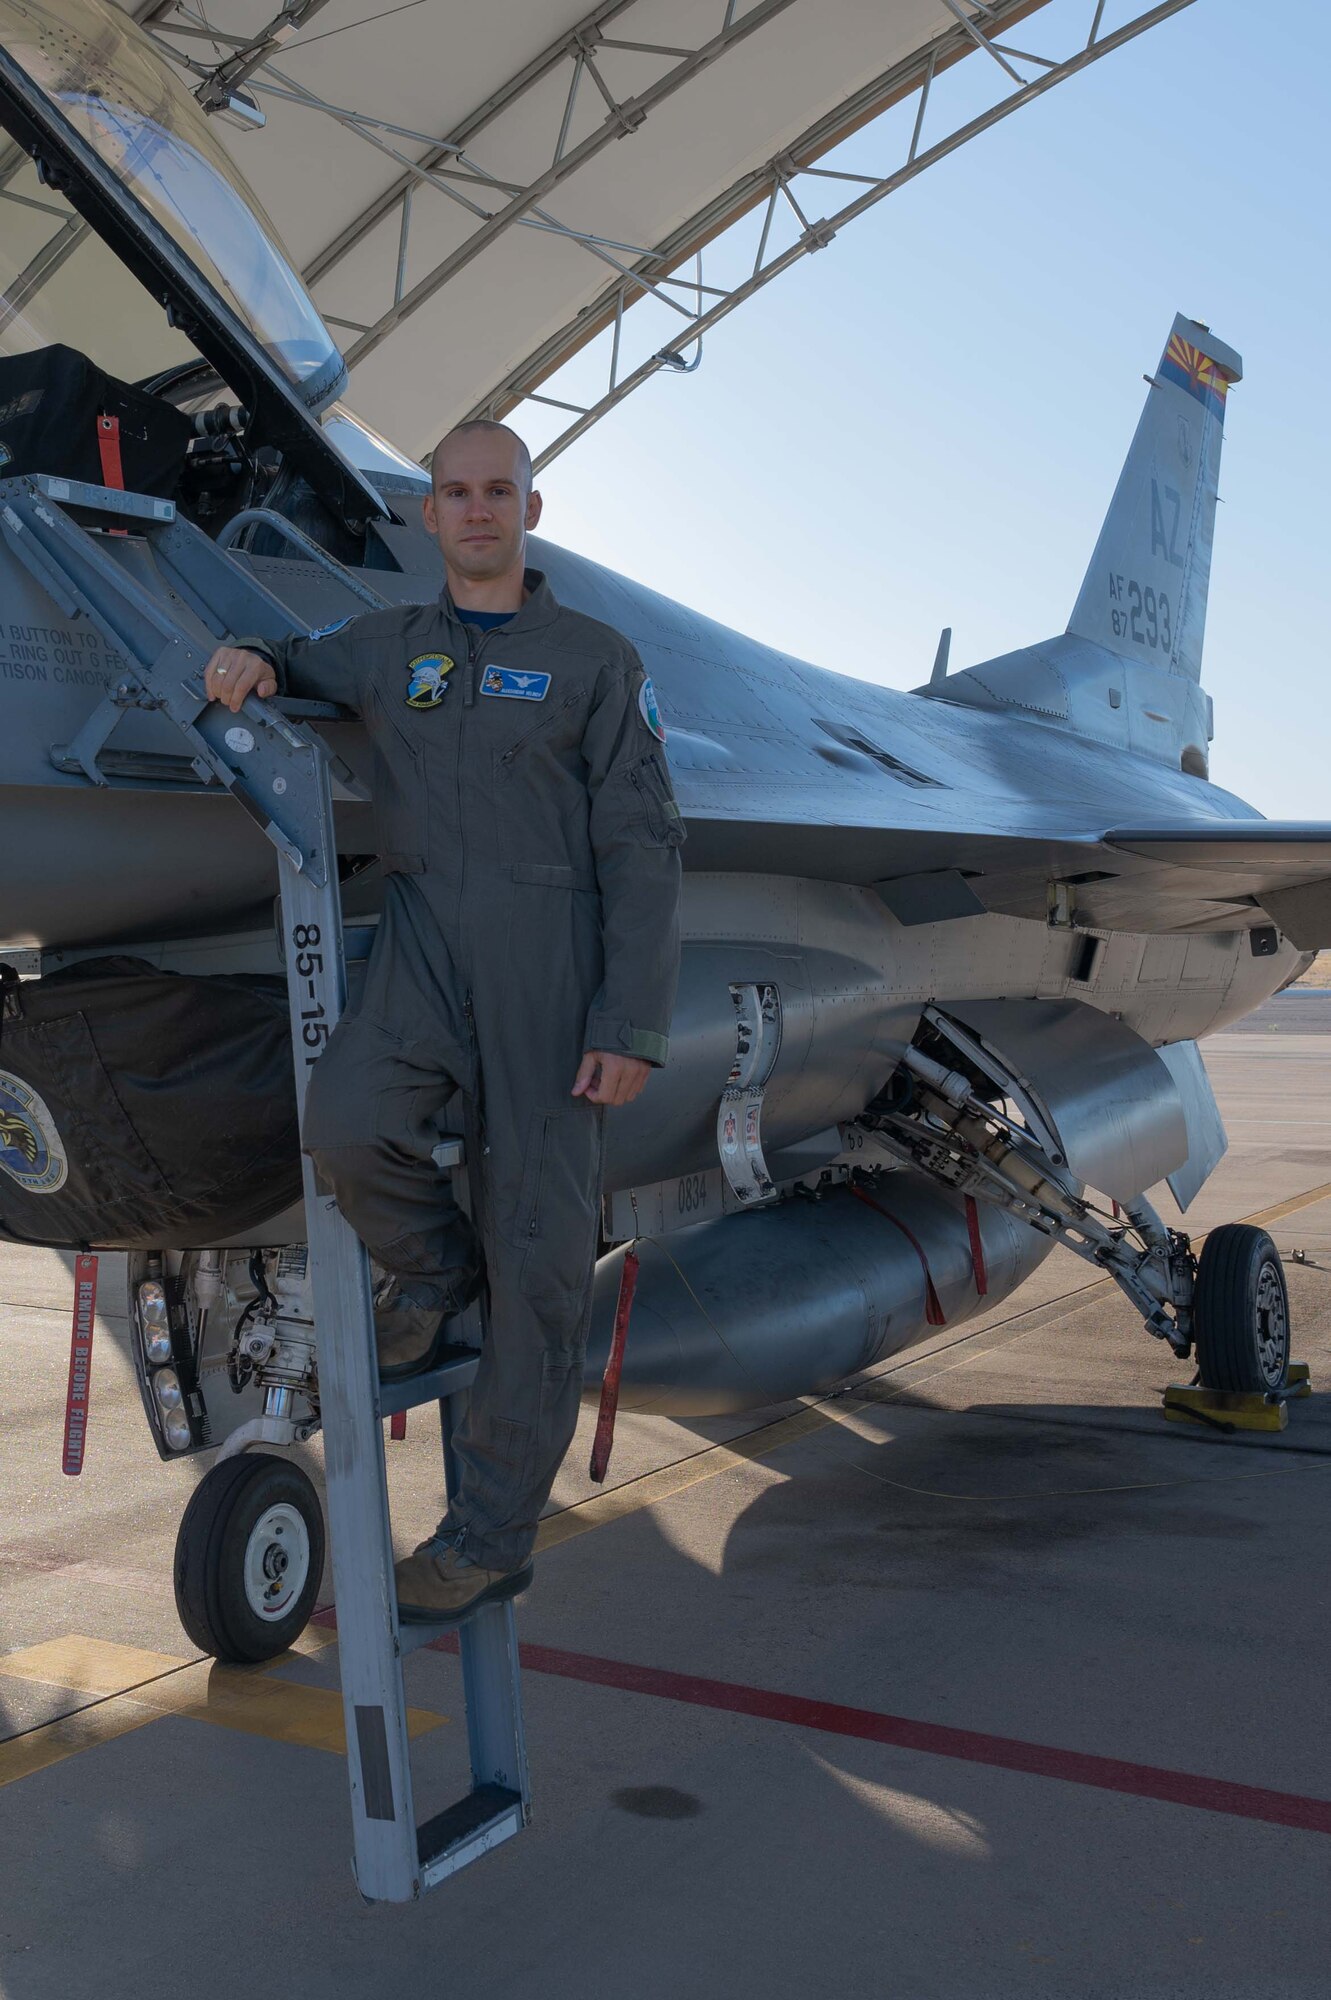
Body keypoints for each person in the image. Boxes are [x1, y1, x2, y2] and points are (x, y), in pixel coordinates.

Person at [202, 422, 684, 1619]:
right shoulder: (388, 646)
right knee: (349, 1124)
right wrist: (250, 656)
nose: (476, 510)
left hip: (549, 956)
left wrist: (627, 1018)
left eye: (497, 491)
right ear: (427, 515)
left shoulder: (593, 660)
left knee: (540, 1260)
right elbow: (294, 660)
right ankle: (430, 1271)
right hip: (423, 936)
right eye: (455, 493)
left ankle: (486, 1535)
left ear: (531, 505)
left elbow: (643, 843)